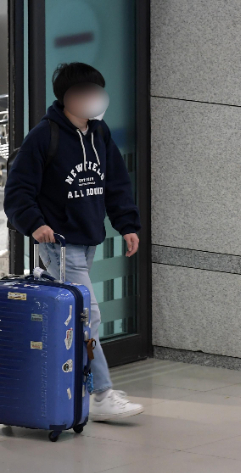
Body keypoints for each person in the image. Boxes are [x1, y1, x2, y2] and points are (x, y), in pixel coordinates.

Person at [4, 62, 144, 421]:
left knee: (74, 318)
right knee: (87, 316)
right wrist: (35, 225)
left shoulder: (99, 134)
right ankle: (102, 395)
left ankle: (75, 387)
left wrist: (127, 225)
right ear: (66, 98)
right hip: (60, 245)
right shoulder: (44, 135)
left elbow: (115, 183)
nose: (93, 100)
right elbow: (17, 191)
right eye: (84, 93)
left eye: (96, 92)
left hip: (88, 240)